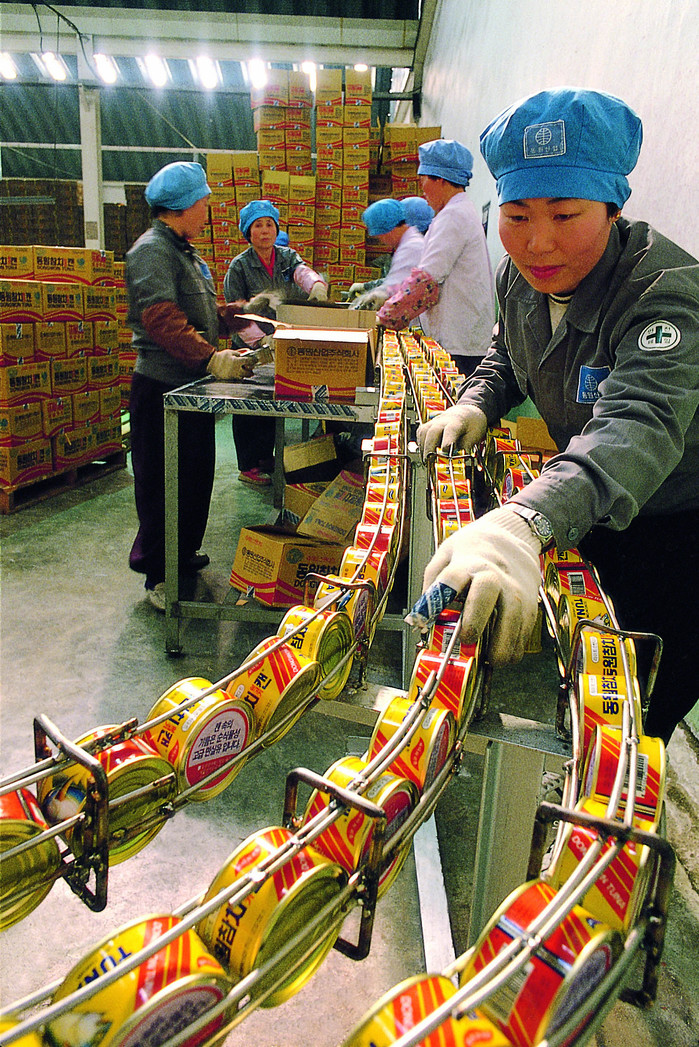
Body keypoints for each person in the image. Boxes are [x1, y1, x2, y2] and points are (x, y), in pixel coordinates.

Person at [416, 87, 699, 745]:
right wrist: (476, 403)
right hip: (589, 503)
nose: (537, 241)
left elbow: (635, 426)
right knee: (587, 672)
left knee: (637, 711)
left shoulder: (665, 294)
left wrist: (523, 522)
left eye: (565, 214)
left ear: (613, 208)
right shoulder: (520, 277)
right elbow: (508, 354)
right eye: (516, 215)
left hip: (675, 523)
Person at [126, 161, 256, 611]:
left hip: (192, 389)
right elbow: (161, 318)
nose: (207, 212)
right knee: (163, 483)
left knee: (194, 478)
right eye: (203, 203)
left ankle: (180, 553)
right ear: (182, 206)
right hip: (161, 388)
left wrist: (237, 314)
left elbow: (195, 312)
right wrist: (211, 357)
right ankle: (158, 574)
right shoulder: (151, 251)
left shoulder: (184, 253)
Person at [223, 199, 329, 486]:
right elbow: (236, 313)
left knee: (271, 400)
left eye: (269, 224)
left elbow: (301, 271)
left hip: (279, 340)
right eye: (258, 225)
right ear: (248, 232)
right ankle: (248, 465)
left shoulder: (286, 257)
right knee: (249, 404)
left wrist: (316, 285)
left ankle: (264, 457)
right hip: (250, 345)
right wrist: (260, 340)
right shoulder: (239, 267)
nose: (265, 230)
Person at [377, 138, 494, 377]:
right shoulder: (459, 212)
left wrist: (386, 316)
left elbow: (426, 282)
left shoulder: (453, 216)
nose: (422, 189)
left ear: (440, 179)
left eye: (423, 180)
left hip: (459, 346)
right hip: (462, 340)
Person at [348, 198, 427, 310]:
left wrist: (379, 294)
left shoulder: (412, 247)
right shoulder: (407, 244)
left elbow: (400, 286)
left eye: (379, 236)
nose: (382, 241)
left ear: (387, 231)